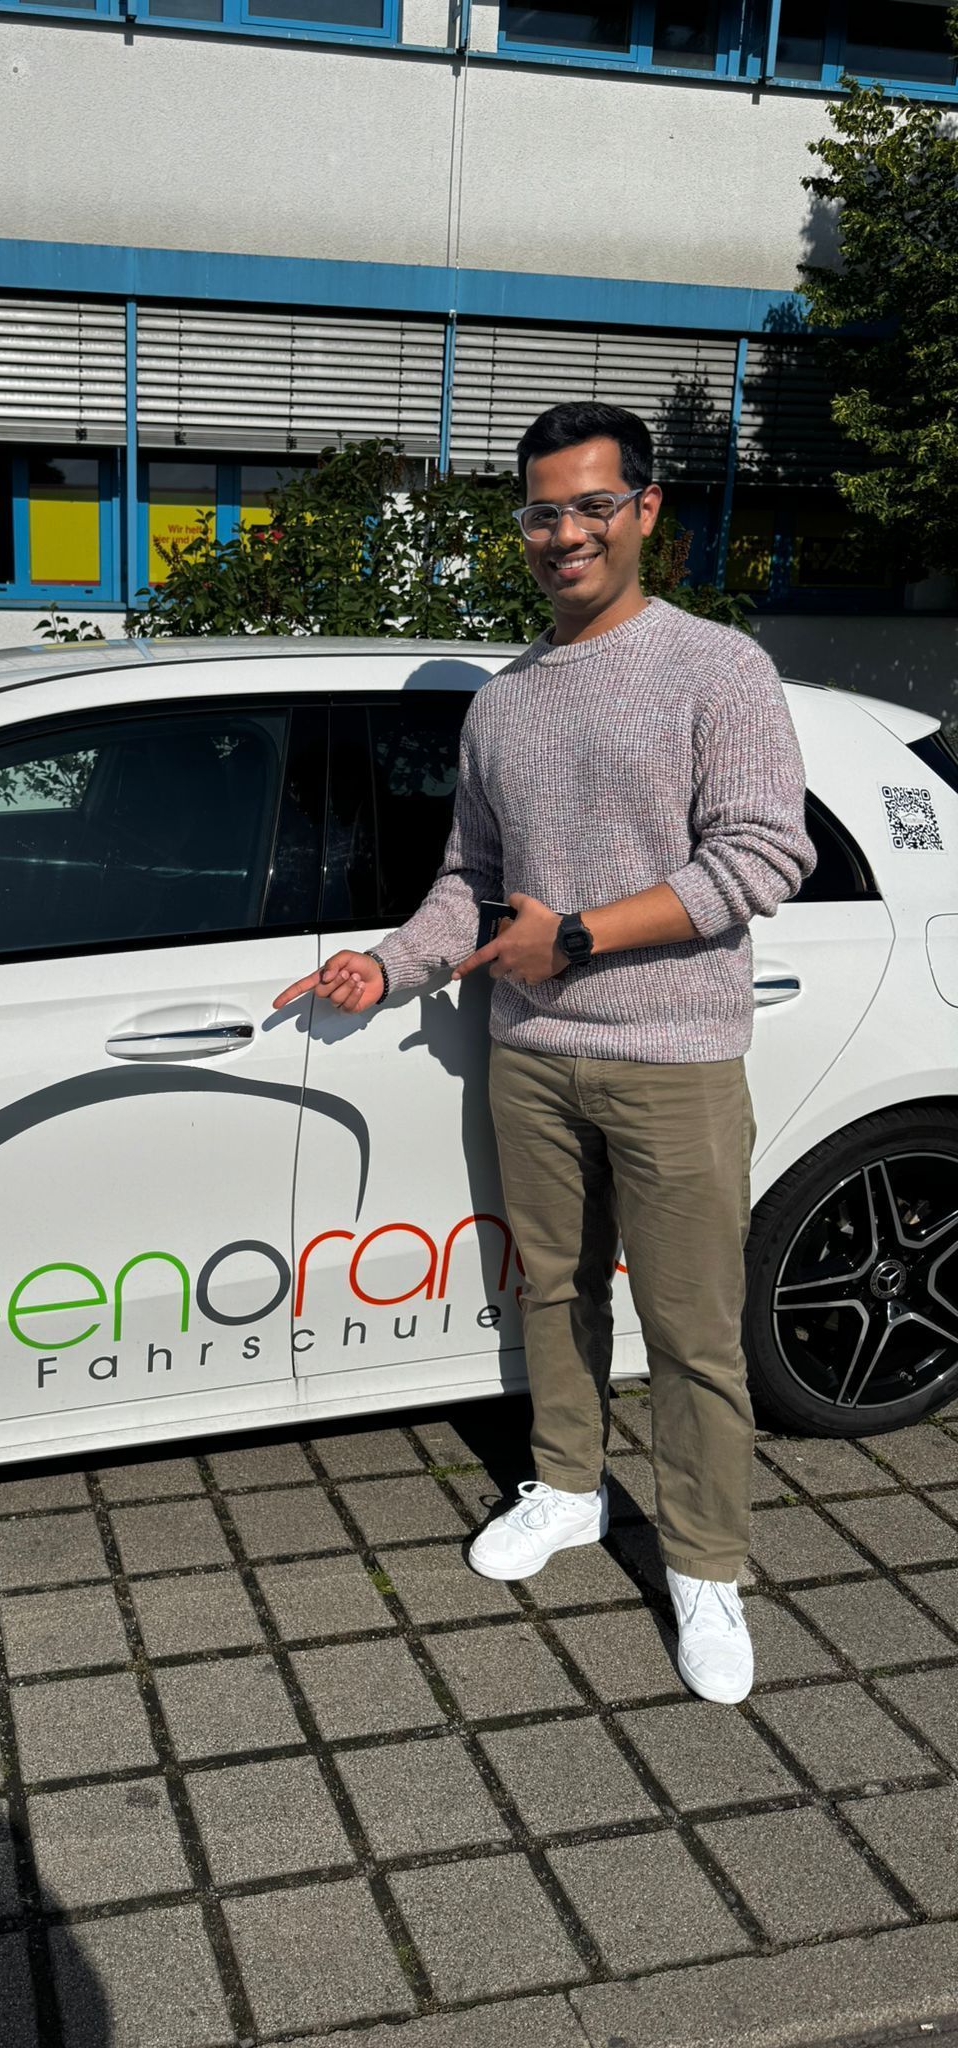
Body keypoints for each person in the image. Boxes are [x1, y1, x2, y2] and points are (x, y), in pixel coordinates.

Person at [274, 401, 815, 1704]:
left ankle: (705, 1563)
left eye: (590, 507)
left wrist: (572, 936)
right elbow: (471, 883)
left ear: (645, 513)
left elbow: (763, 856)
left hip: (675, 1056)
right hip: (529, 1055)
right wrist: (388, 967)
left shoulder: (718, 668)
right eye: (541, 511)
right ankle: (571, 1486)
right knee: (555, 1291)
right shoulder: (503, 705)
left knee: (692, 1329)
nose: (564, 533)